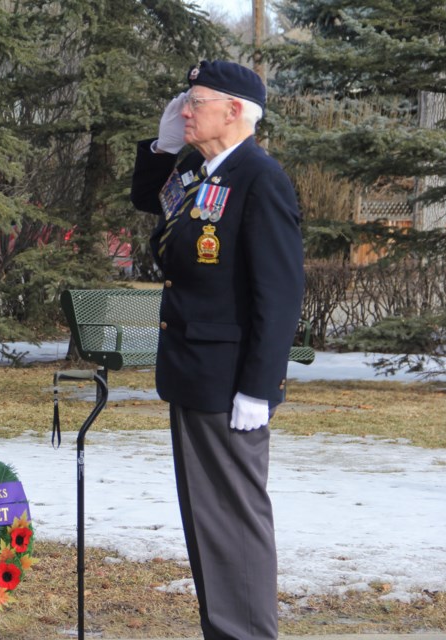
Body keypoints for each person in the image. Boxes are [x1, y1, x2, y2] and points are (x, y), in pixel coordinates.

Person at [130, 60, 305, 640]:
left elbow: (278, 294)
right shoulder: (204, 173)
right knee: (209, 522)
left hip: (230, 383)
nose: (185, 109)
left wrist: (260, 387)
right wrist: (162, 146)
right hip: (194, 374)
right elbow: (146, 199)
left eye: (195, 100)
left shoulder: (259, 176)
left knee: (233, 522)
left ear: (234, 110)